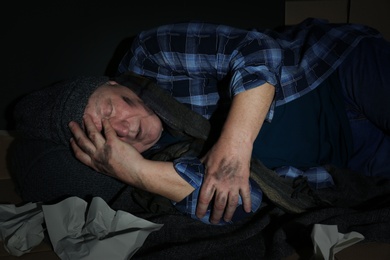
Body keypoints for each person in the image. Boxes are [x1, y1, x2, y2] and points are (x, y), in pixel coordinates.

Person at [11, 18, 389, 227]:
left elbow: (258, 50)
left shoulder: (149, 57)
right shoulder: (152, 166)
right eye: (107, 135)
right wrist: (139, 173)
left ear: (109, 85)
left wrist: (231, 151)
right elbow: (242, 205)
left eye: (109, 112)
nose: (124, 129)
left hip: (335, 74)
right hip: (349, 158)